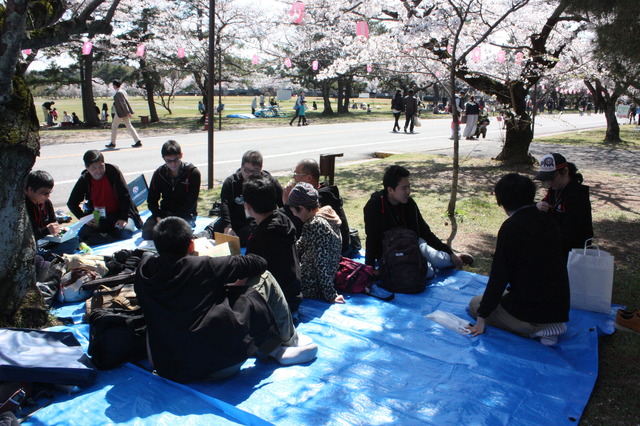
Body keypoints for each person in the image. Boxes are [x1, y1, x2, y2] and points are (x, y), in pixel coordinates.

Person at [135, 217, 318, 383]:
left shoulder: (144, 273)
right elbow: (258, 262)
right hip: (220, 366)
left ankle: (275, 346)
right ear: (191, 245)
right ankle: (283, 344)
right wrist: (219, 261)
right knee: (262, 278)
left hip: (169, 368)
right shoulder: (205, 265)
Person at [466, 173, 570, 346]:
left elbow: (500, 275)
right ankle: (547, 323)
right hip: (558, 304)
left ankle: (536, 328)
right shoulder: (547, 219)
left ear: (502, 201)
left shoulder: (512, 228)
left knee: (475, 304)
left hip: (532, 306)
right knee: (500, 297)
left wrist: (481, 318)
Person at [363, 165, 473, 277]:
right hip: (389, 250)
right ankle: (428, 263)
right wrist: (369, 268)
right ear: (390, 189)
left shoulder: (409, 203)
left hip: (412, 244)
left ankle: (454, 258)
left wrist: (449, 252)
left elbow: (424, 231)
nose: (408, 192)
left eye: (409, 187)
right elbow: (371, 238)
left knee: (439, 261)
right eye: (404, 188)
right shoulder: (374, 205)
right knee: (427, 274)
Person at [243, 178, 303, 312]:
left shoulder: (262, 237)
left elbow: (245, 275)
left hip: (278, 306)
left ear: (248, 205)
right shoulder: (284, 219)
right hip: (293, 297)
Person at [203, 150, 283, 247]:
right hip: (235, 218)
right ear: (241, 168)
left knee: (245, 238)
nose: (250, 174)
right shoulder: (231, 183)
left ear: (261, 169)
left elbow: (282, 204)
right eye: (247, 170)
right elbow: (225, 205)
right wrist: (227, 226)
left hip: (256, 221)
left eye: (255, 171)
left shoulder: (268, 182)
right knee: (215, 228)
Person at [67, 150, 142, 246]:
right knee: (83, 235)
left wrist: (123, 218)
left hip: (118, 213)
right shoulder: (84, 179)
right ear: (87, 168)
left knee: (125, 232)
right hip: (97, 216)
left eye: (101, 166)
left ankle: (105, 236)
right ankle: (107, 236)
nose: (98, 171)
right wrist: (83, 218)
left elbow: (125, 196)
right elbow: (72, 203)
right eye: (94, 168)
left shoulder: (113, 172)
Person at [282, 159, 352, 256]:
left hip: (338, 252)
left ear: (309, 178)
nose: (294, 177)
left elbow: (298, 227)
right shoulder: (324, 192)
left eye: (296, 174)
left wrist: (287, 204)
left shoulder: (320, 198)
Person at [288, 183, 344, 304]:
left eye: (294, 211)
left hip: (312, 285)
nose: (294, 215)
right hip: (318, 278)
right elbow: (300, 245)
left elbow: (321, 263)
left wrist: (331, 295)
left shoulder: (315, 225)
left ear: (302, 208)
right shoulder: (326, 214)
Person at [534, 153, 593, 257]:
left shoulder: (577, 195)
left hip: (573, 253)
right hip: (556, 247)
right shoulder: (555, 189)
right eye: (546, 179)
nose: (549, 182)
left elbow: (571, 231)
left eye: (552, 178)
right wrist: (538, 205)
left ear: (565, 171)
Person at [141, 140, 201, 240]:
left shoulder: (192, 173)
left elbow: (191, 201)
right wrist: (158, 216)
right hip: (165, 212)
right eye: (169, 161)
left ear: (181, 155)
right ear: (163, 159)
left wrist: (174, 220)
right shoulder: (159, 173)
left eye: (176, 160)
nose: (173, 164)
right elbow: (152, 200)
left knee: (178, 236)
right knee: (148, 233)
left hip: (185, 213)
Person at [25, 170, 78, 258]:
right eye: (44, 193)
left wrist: (59, 230)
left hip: (47, 241)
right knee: (35, 252)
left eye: (50, 192)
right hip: (33, 243)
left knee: (73, 240)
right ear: (30, 190)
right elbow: (28, 236)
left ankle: (48, 257)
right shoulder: (23, 207)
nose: (48, 196)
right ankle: (47, 258)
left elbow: (53, 221)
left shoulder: (46, 202)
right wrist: (47, 230)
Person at [106, 80, 142, 149]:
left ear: (115, 85)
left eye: (113, 85)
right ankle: (137, 141)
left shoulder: (118, 93)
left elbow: (123, 103)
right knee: (129, 126)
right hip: (123, 112)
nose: (113, 86)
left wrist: (127, 112)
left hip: (120, 112)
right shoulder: (122, 91)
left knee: (114, 126)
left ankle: (113, 143)